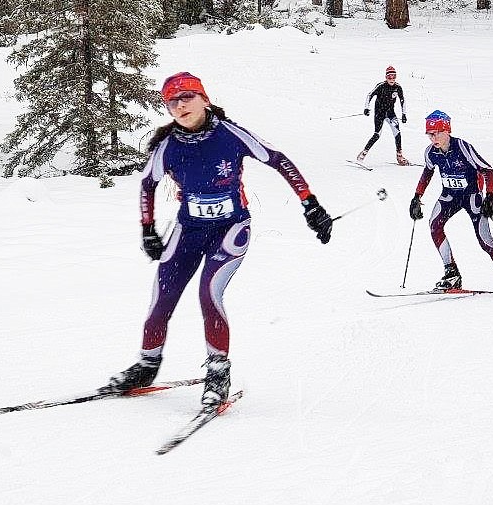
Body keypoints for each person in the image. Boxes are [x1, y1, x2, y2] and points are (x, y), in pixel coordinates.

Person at [107, 72, 333, 409]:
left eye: (187, 97)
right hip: (188, 231)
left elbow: (278, 159)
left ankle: (218, 373)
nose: (180, 105)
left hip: (230, 229)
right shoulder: (168, 146)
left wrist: (310, 203)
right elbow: (147, 184)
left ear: (204, 98)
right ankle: (146, 365)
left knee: (209, 293)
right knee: (161, 298)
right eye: (172, 101)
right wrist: (147, 228)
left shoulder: (230, 134)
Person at [408, 110, 493, 295]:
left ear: (446, 130)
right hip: (449, 196)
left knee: (485, 240)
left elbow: (487, 170)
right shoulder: (431, 152)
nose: (433, 139)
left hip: (472, 197)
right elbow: (427, 173)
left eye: (436, 133)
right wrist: (417, 197)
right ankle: (451, 273)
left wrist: (490, 197)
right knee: (434, 226)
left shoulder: (462, 147)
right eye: (429, 135)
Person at [357, 65, 409, 165]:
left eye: (394, 76)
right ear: (386, 77)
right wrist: (366, 107)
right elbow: (370, 95)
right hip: (379, 113)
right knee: (377, 135)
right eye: (389, 77)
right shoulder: (381, 86)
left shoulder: (398, 87)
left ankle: (399, 156)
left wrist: (404, 114)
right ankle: (363, 154)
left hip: (390, 113)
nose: (392, 79)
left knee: (397, 133)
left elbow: (402, 100)